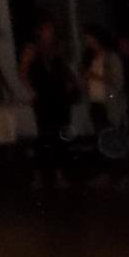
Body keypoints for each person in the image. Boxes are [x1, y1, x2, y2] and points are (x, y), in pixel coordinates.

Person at [19, 14, 76, 190]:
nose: (51, 32)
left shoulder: (57, 48)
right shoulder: (32, 49)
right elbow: (23, 72)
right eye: (48, 28)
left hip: (59, 95)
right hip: (43, 96)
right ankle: (39, 176)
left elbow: (64, 69)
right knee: (45, 136)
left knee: (61, 135)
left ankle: (60, 174)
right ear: (40, 30)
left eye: (52, 29)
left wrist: (70, 84)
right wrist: (31, 91)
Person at [80, 26, 125, 133]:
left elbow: (117, 81)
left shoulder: (110, 57)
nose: (87, 42)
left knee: (110, 133)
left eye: (88, 38)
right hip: (94, 103)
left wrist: (95, 76)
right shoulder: (88, 59)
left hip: (108, 103)